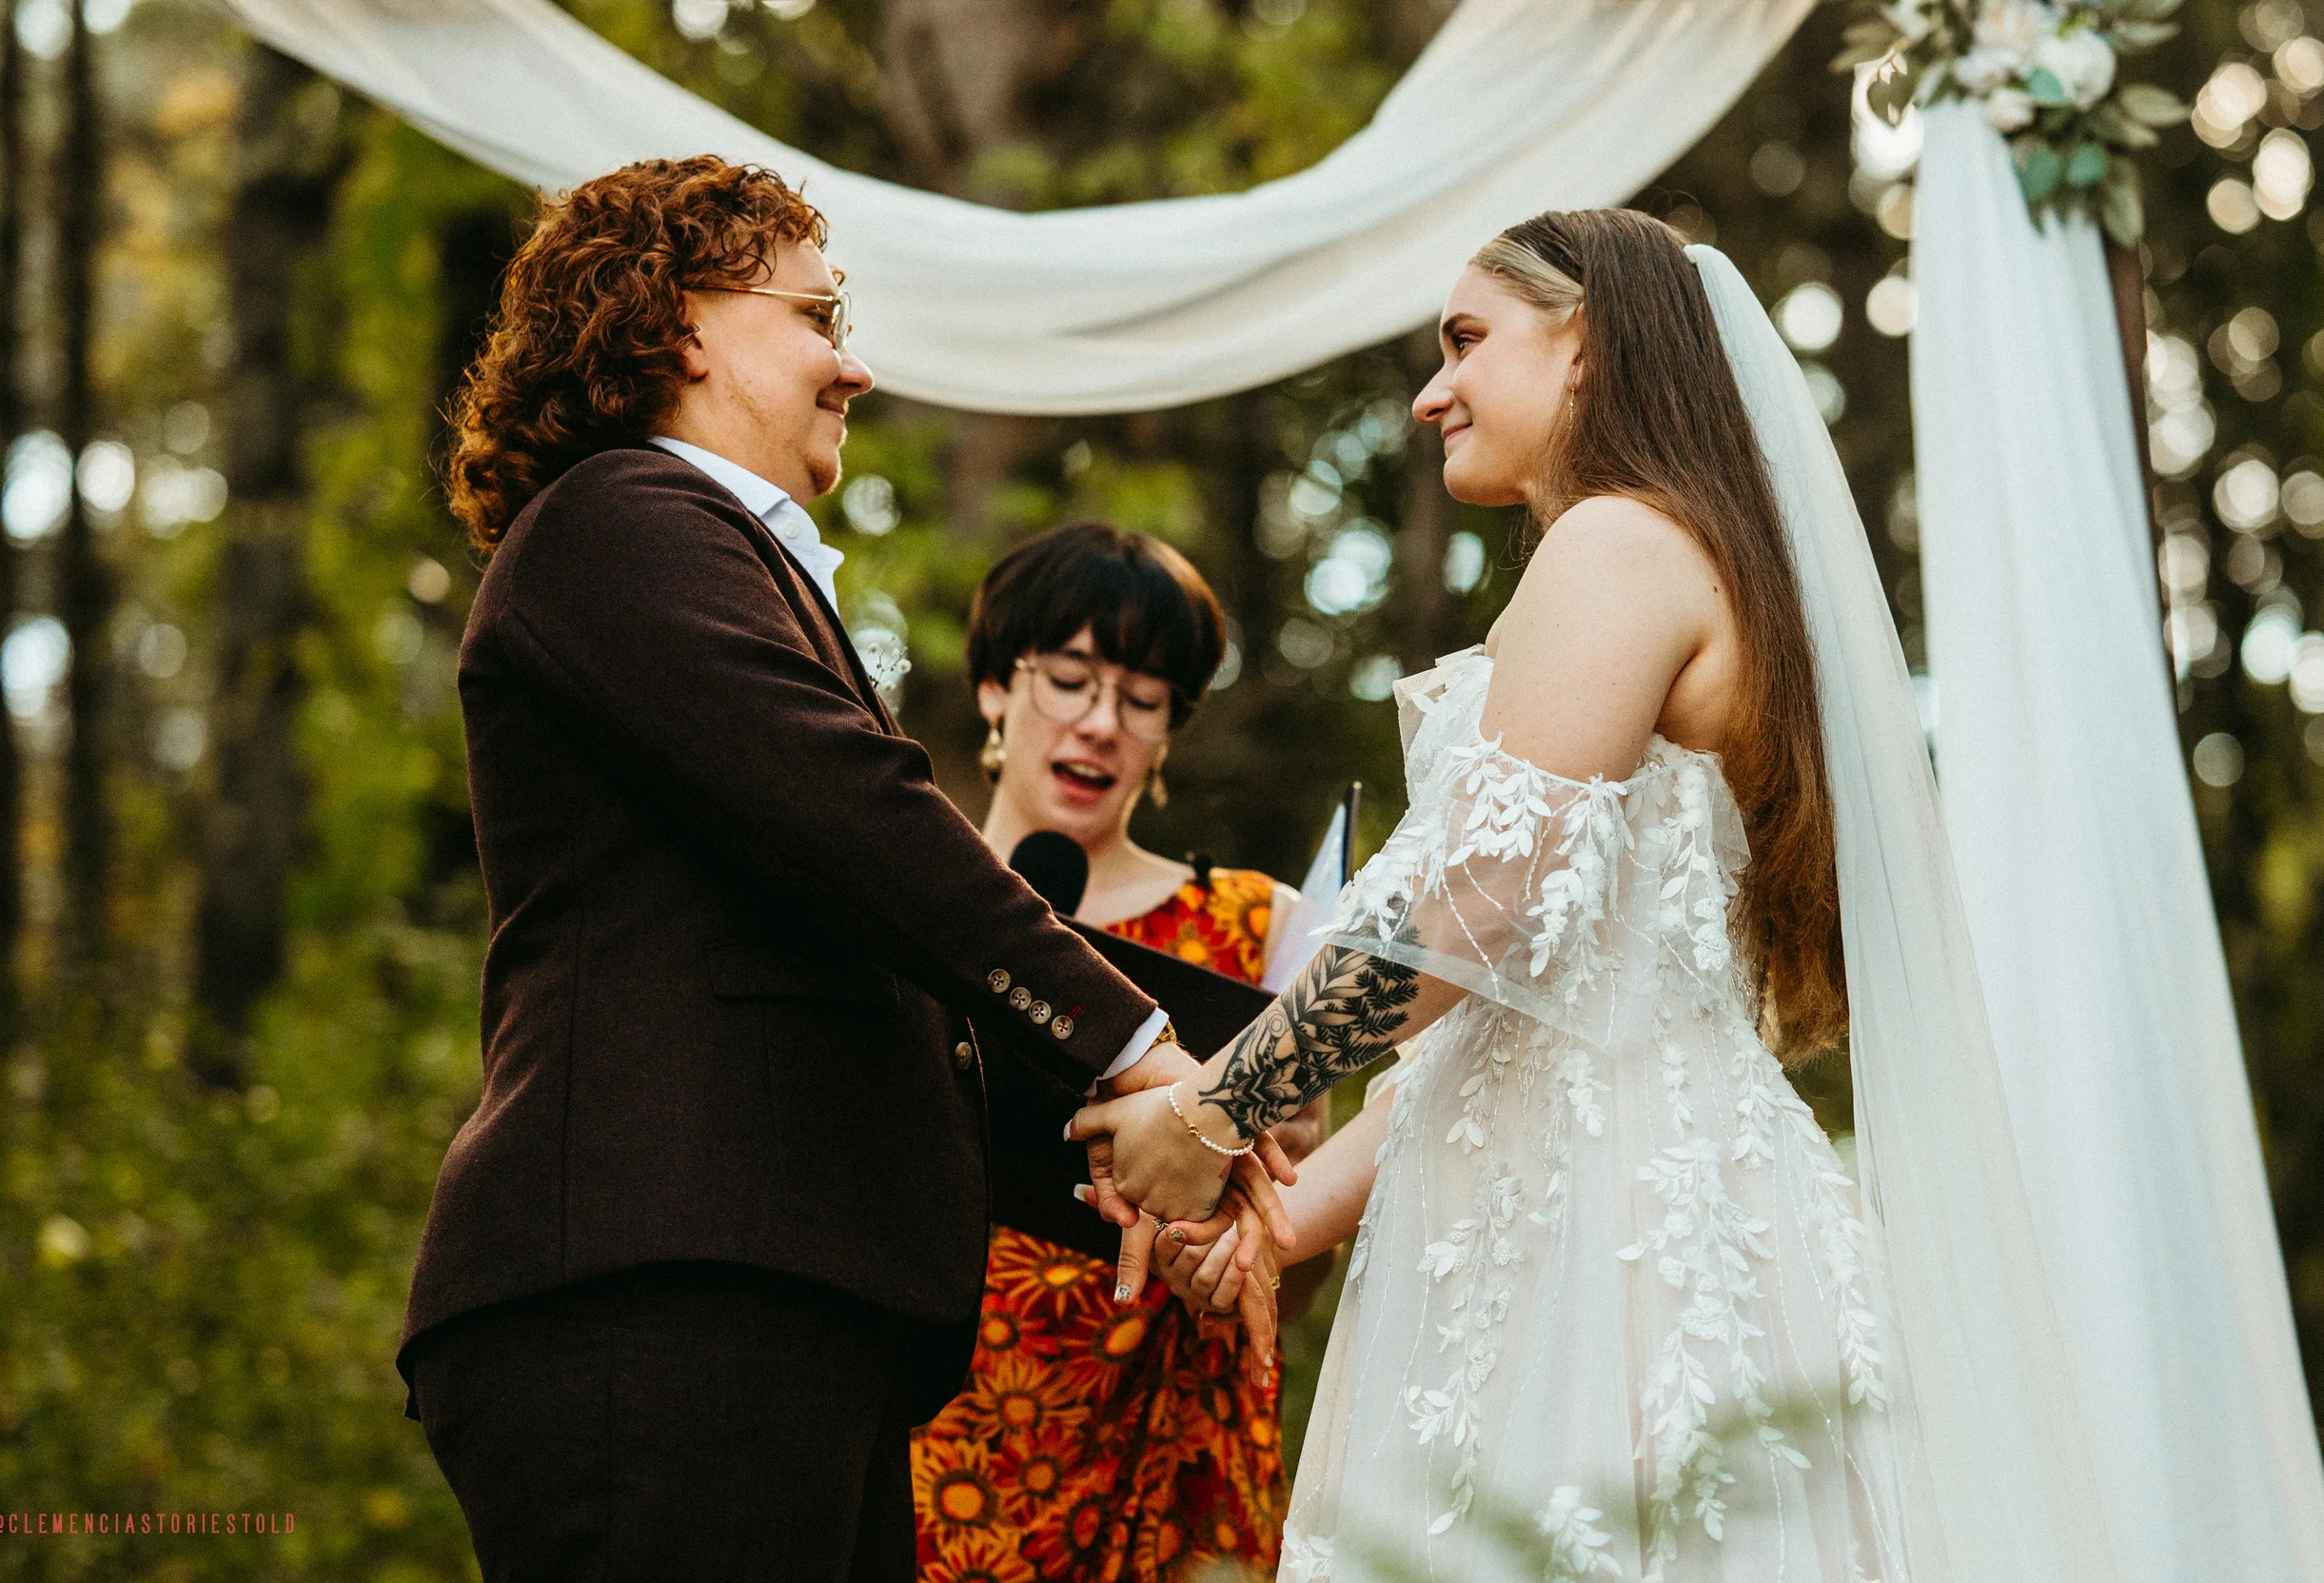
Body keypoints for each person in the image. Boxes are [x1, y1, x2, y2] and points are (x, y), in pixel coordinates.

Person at [1076, 210, 2146, 1582]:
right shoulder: (1661, 555)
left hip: (1620, 1240)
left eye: (1467, 340)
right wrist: (1284, 1209)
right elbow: (1511, 1004)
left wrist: (1216, 1102)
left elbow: (1482, 907)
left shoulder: (1620, 544)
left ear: (1585, 345)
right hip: (1565, 1187)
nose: (1431, 389)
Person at [393, 157, 1271, 1583]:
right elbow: (858, 816)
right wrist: (1137, 1047)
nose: (853, 362)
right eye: (818, 314)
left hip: (781, 1309)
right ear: (683, 322)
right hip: (662, 1302)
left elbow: (847, 964)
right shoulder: (617, 518)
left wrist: (1165, 1141)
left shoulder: (700, 550)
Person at [912, 523, 1329, 1583]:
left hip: (1168, 1423)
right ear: (997, 690)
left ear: (1168, 734)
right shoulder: (906, 894)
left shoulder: (1259, 925)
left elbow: (1305, 1264)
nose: (1100, 724)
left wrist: (1275, 1193)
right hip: (935, 1411)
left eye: (1142, 700)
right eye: (1067, 679)